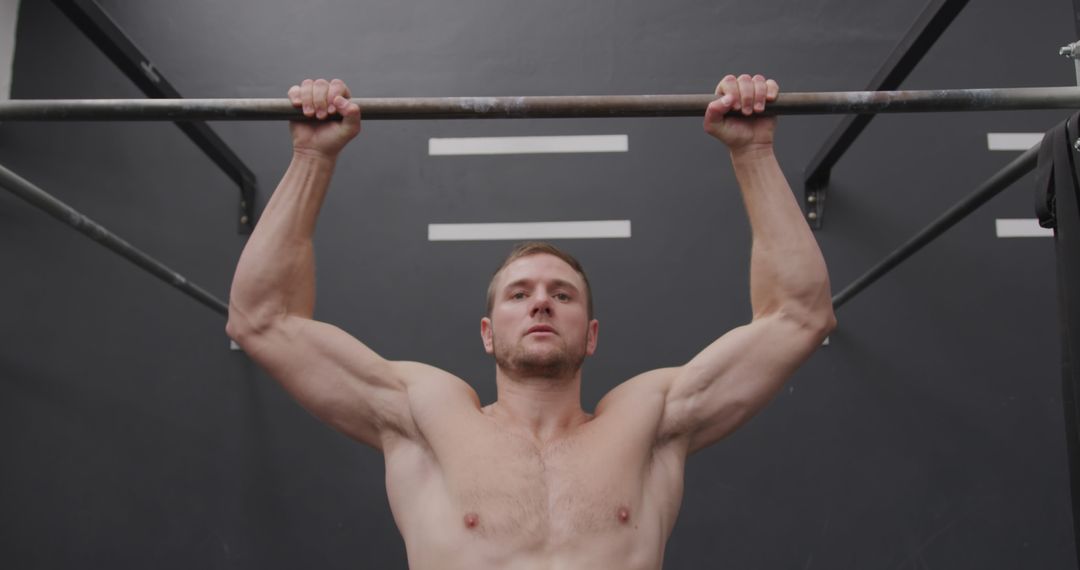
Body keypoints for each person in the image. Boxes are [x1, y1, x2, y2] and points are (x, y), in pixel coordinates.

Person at [226, 74, 835, 569]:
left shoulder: (649, 421)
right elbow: (263, 319)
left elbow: (798, 317)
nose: (542, 302)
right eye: (520, 293)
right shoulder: (425, 415)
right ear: (488, 333)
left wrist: (753, 153)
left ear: (591, 335)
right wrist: (311, 158)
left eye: (563, 295)